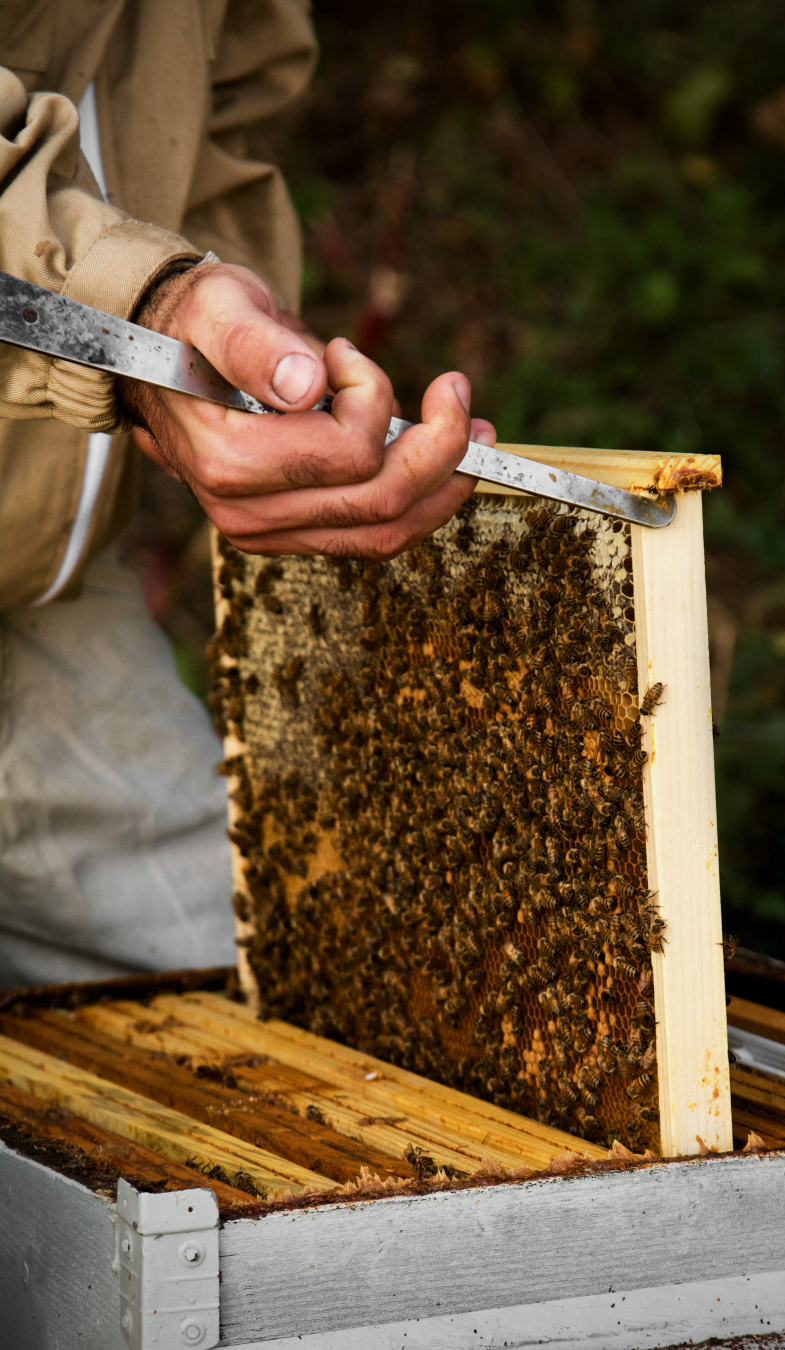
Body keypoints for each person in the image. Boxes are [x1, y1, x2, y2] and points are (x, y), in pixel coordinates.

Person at [0, 1, 495, 987]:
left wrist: (235, 351)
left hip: (41, 576)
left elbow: (214, 122)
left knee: (276, 997)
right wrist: (137, 309)